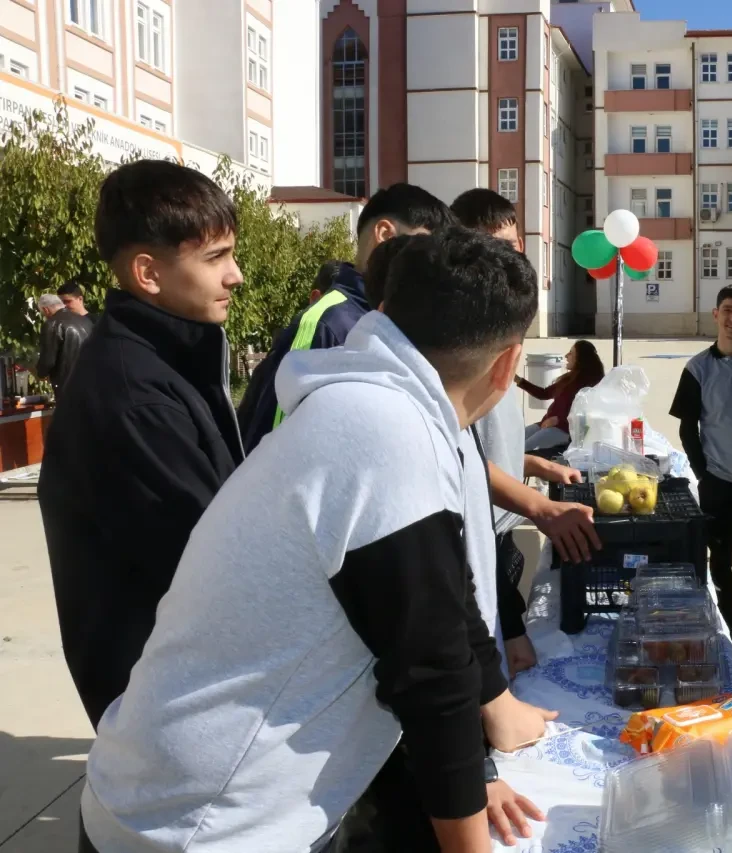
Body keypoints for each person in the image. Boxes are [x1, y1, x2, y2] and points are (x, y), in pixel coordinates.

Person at [78, 228, 558, 853]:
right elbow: (430, 672)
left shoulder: (378, 402)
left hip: (166, 794)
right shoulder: (386, 433)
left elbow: (444, 589)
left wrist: (495, 708)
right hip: (204, 825)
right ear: (508, 363)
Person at [36, 160, 245, 729]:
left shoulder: (169, 360)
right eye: (215, 258)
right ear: (148, 273)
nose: (236, 275)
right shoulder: (136, 395)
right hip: (169, 710)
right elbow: (216, 565)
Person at [451, 187, 598, 676]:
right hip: (474, 541)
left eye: (513, 245)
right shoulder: (458, 342)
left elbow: (486, 444)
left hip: (503, 530)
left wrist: (534, 464)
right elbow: (457, 459)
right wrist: (541, 505)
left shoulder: (497, 326)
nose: (509, 258)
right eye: (493, 246)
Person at [237, 182, 456, 454]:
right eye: (426, 249)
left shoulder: (391, 319)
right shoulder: (327, 320)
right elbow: (277, 436)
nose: (432, 266)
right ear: (385, 234)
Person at [669, 285, 732, 663]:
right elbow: (687, 426)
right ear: (715, 315)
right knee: (719, 558)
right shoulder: (697, 369)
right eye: (727, 310)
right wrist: (701, 470)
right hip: (717, 481)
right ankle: (729, 621)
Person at [516, 340, 605, 451]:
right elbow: (544, 393)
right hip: (546, 424)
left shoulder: (591, 382)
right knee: (514, 439)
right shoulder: (569, 378)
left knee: (521, 450)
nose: (566, 356)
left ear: (581, 358)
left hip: (564, 430)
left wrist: (559, 420)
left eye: (571, 353)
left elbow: (588, 413)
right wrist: (518, 380)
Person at [34, 293, 93, 393]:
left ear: (46, 310)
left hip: (67, 384)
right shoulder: (86, 320)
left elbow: (48, 360)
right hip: (91, 380)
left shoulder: (52, 324)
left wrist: (40, 373)